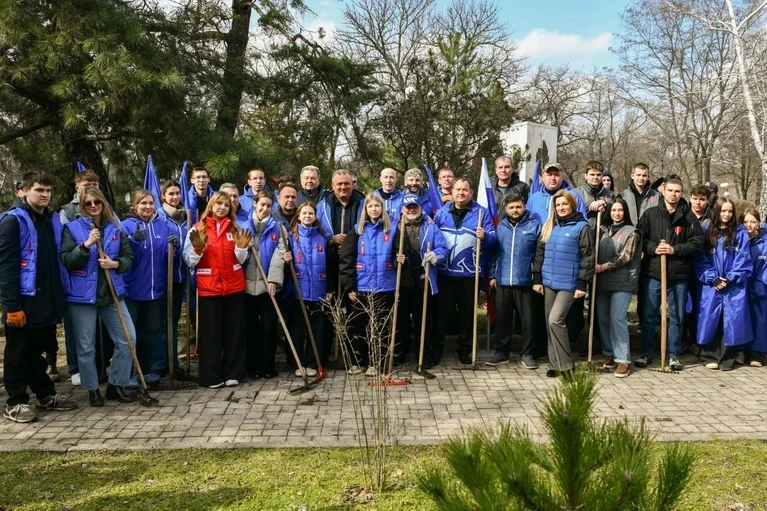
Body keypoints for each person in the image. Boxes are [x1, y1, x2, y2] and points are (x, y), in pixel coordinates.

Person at [0, 171, 77, 422]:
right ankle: (15, 402)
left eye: (48, 190)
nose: (45, 195)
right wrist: (12, 306)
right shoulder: (13, 221)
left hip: (47, 299)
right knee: (17, 353)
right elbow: (6, 268)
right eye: (39, 190)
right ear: (24, 191)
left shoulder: (50, 220)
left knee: (36, 352)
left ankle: (45, 395)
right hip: (23, 301)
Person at [60, 187, 137, 407]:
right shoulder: (72, 228)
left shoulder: (115, 228)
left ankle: (116, 384)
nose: (93, 206)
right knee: (86, 346)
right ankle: (92, 389)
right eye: (88, 203)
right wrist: (85, 246)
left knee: (128, 339)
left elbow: (128, 258)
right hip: (82, 295)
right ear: (82, 206)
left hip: (111, 292)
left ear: (103, 203)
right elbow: (67, 260)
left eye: (97, 202)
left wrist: (115, 264)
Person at [183, 192, 251, 388]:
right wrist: (197, 250)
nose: (222, 207)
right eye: (219, 203)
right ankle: (211, 376)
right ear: (211, 205)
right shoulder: (197, 229)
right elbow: (189, 260)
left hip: (233, 286)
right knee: (210, 334)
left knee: (234, 333)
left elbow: (241, 260)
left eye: (226, 205)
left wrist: (241, 249)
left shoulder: (235, 228)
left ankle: (234, 373)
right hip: (209, 287)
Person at [635, 178, 703, 371]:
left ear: (682, 193)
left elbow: (697, 242)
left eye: (677, 191)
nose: (673, 194)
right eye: (670, 190)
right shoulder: (650, 214)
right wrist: (653, 248)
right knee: (649, 315)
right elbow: (639, 237)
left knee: (677, 316)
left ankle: (673, 355)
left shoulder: (688, 217)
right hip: (653, 272)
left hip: (678, 274)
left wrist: (675, 249)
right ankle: (647, 353)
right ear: (663, 191)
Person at [433, 178, 497, 365]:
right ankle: (436, 350)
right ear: (452, 192)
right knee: (440, 315)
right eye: (458, 189)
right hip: (445, 273)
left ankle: (465, 350)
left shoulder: (481, 213)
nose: (461, 193)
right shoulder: (442, 212)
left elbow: (494, 239)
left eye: (465, 190)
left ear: (471, 192)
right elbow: (433, 236)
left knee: (467, 315)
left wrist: (485, 236)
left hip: (469, 274)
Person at [533, 190, 593, 378]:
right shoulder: (549, 225)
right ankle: (555, 364)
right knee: (549, 323)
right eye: (558, 205)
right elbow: (539, 254)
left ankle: (566, 365)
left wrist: (582, 284)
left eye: (564, 204)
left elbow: (588, 257)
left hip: (569, 283)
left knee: (555, 320)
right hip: (549, 281)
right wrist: (537, 279)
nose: (561, 207)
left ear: (572, 205)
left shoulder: (582, 227)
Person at [122, 189, 179, 383]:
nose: (147, 207)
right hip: (132, 290)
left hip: (155, 290)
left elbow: (168, 257)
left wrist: (174, 248)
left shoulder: (163, 226)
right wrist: (132, 241)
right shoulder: (126, 226)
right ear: (135, 206)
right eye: (143, 203)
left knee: (150, 332)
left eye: (150, 203)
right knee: (130, 335)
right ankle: (128, 373)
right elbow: (119, 254)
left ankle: (146, 371)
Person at [339, 194, 398, 376]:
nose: (374, 209)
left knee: (379, 326)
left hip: (385, 286)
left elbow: (401, 254)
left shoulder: (393, 229)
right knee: (357, 325)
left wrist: (401, 260)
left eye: (377, 206)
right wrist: (350, 287)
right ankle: (358, 361)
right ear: (365, 209)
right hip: (361, 287)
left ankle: (376, 362)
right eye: (370, 206)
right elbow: (346, 260)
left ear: (382, 209)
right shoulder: (356, 231)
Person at [694, 198, 752, 371]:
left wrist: (730, 278)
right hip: (711, 285)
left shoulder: (739, 232)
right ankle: (709, 355)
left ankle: (728, 356)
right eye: (723, 211)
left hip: (733, 286)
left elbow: (743, 258)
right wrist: (713, 278)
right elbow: (700, 258)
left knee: (731, 319)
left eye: (730, 211)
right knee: (710, 317)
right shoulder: (706, 231)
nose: (726, 214)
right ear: (717, 211)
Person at [391, 194, 448, 367]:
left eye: (414, 207)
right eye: (408, 207)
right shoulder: (394, 227)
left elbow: (443, 248)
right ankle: (400, 354)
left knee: (422, 320)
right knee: (401, 320)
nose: (411, 210)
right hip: (401, 279)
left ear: (420, 207)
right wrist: (395, 260)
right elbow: (387, 252)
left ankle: (424, 355)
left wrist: (436, 255)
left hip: (423, 278)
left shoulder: (430, 226)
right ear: (402, 209)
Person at [487, 191, 541, 369]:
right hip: (503, 280)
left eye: (518, 206)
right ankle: (502, 352)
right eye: (511, 207)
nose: (515, 210)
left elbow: (539, 254)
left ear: (524, 207)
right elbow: (494, 253)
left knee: (528, 321)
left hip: (526, 281)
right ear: (506, 208)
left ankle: (527, 353)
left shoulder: (534, 225)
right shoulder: (500, 227)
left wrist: (537, 277)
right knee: (502, 319)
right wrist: (492, 275)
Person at [316, 170, 366, 362]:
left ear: (353, 184)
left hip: (355, 265)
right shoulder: (323, 206)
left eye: (347, 183)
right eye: (339, 184)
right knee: (329, 310)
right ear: (332, 185)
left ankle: (355, 357)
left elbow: (369, 230)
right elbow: (315, 232)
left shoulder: (363, 203)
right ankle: (325, 355)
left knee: (355, 310)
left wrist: (348, 246)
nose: (343, 187)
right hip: (330, 264)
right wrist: (331, 240)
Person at [58, 169, 101, 386]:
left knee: (94, 331)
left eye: (94, 183)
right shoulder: (67, 211)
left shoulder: (104, 207)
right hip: (76, 278)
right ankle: (75, 368)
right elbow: (63, 245)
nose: (91, 187)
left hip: (98, 278)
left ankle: (98, 367)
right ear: (77, 187)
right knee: (76, 328)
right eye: (86, 184)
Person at [594, 198, 641, 378]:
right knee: (603, 318)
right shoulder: (601, 230)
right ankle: (610, 353)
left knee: (617, 318)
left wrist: (603, 267)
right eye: (613, 210)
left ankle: (623, 360)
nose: (616, 213)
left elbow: (625, 257)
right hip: (603, 281)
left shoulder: (632, 232)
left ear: (625, 212)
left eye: (620, 210)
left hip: (623, 282)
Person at [283, 202, 330, 376]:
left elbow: (331, 264)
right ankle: (297, 363)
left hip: (319, 292)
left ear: (315, 216)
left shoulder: (323, 237)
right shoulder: (290, 237)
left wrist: (330, 289)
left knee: (316, 331)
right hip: (298, 292)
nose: (307, 216)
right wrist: (286, 260)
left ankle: (312, 362)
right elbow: (285, 269)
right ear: (298, 215)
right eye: (304, 213)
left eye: (311, 213)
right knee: (297, 329)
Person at [244, 190, 286, 380]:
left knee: (269, 328)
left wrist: (273, 280)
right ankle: (252, 366)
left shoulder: (278, 227)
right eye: (262, 205)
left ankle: (267, 365)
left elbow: (280, 254)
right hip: (246, 285)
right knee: (250, 328)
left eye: (269, 206)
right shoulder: (244, 225)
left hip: (269, 286)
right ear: (255, 204)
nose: (265, 209)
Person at [160, 180, 189, 377]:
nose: (175, 197)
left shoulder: (185, 217)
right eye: (171, 194)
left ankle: (173, 362)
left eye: (177, 193)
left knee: (174, 320)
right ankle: (163, 362)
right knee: (162, 322)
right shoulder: (160, 217)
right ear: (163, 196)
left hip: (179, 277)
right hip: (163, 277)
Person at [741, 208, 767, 367]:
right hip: (741, 285)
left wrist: (760, 283)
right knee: (742, 319)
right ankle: (741, 351)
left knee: (760, 320)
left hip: (760, 286)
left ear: (759, 223)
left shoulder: (764, 241)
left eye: (753, 222)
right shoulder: (738, 238)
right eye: (745, 222)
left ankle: (758, 353)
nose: (749, 225)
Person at [577, 160, 613, 229]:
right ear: (586, 176)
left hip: (604, 233)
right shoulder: (576, 193)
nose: (595, 177)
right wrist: (590, 208)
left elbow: (615, 213)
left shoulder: (610, 194)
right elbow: (570, 215)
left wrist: (605, 205)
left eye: (599, 174)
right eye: (592, 174)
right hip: (583, 232)